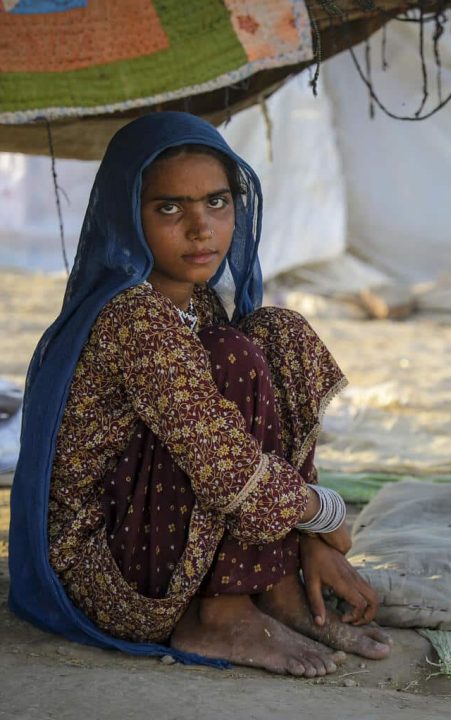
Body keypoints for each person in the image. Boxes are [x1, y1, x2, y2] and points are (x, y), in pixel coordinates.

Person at [9, 111, 391, 677]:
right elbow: (224, 467)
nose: (201, 228)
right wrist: (320, 512)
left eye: (217, 202)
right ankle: (220, 613)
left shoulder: (197, 303)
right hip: (108, 572)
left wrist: (306, 539)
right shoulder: (134, 313)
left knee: (275, 333)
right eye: (169, 208)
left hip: (159, 539)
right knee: (232, 357)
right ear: (127, 215)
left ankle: (277, 588)